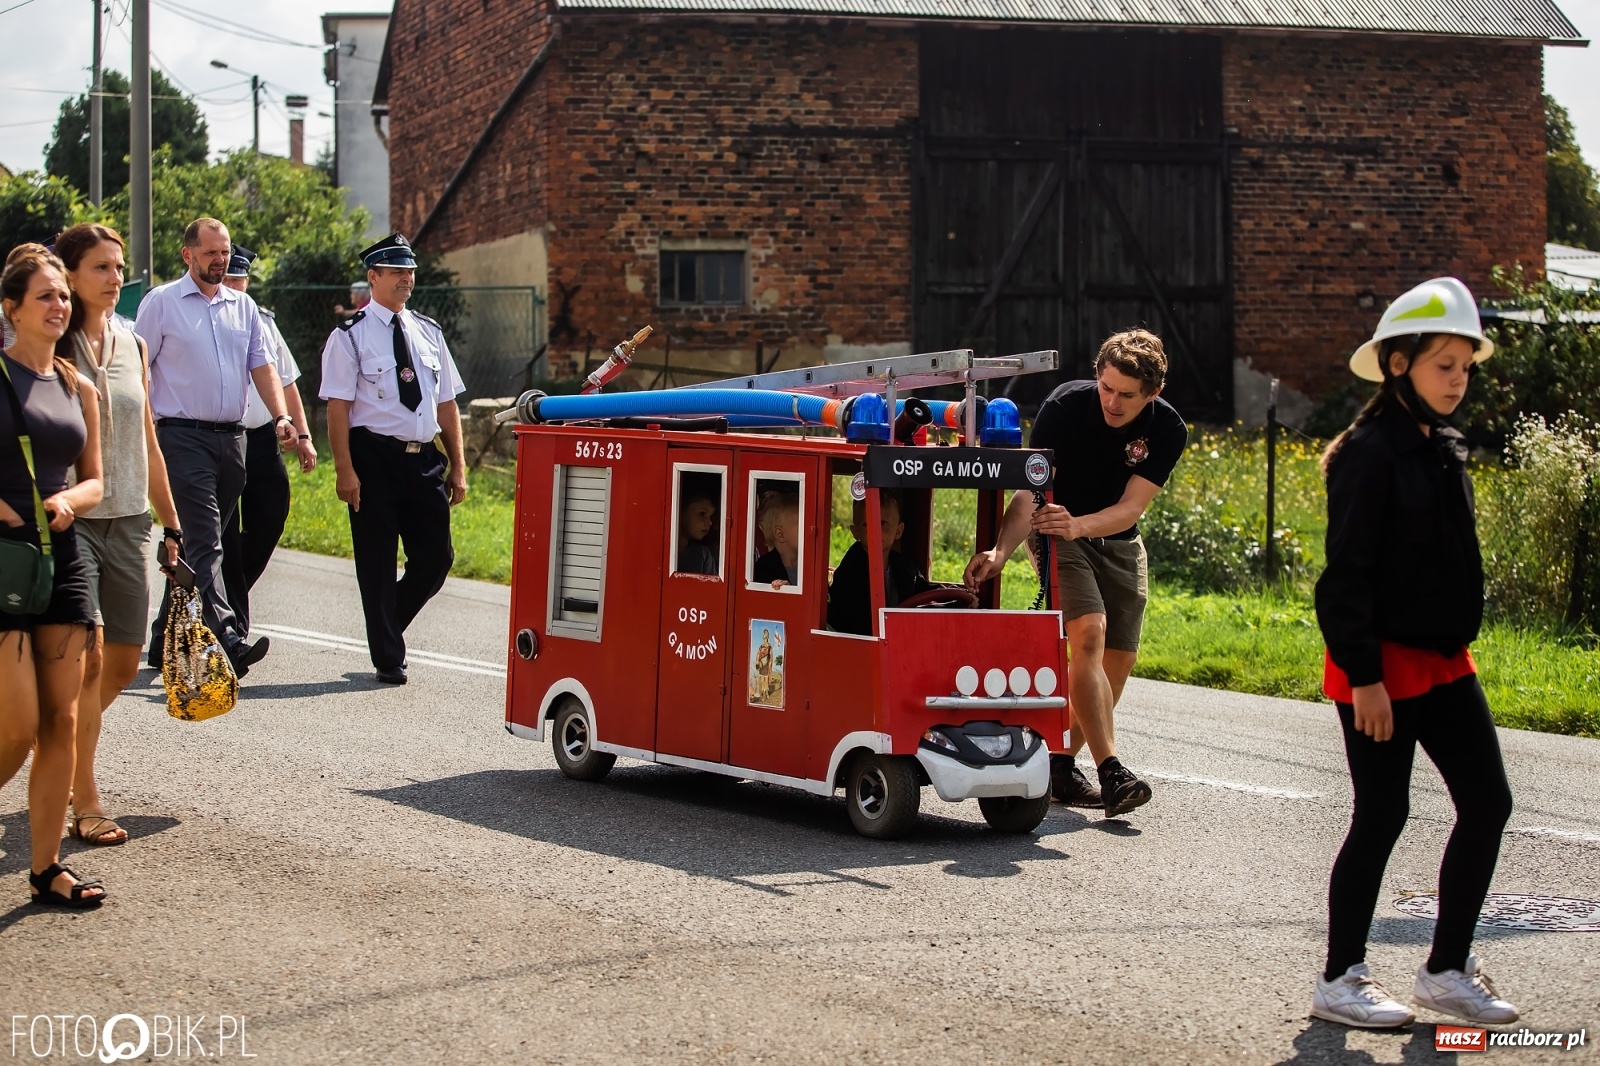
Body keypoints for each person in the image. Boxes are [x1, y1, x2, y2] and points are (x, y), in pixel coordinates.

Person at [1309, 278, 1518, 1029]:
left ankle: (1446, 969)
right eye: (1443, 365)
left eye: (1466, 365)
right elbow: (1343, 581)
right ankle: (1339, 979)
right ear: (1399, 365)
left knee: (1488, 804)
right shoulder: (1369, 454)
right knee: (1382, 814)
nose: (1458, 379)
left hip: (1444, 659)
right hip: (1380, 668)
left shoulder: (1443, 448)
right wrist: (1364, 678)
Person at [964, 329, 1187, 817]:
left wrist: (1079, 523)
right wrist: (1001, 551)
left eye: (1127, 395)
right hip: (1056, 534)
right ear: (1097, 377)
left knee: (1118, 661)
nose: (1112, 401)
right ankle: (1112, 771)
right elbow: (1029, 493)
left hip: (1117, 539)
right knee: (1088, 635)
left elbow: (1130, 509)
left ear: (1154, 393)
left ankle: (1061, 765)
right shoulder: (1064, 408)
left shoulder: (1169, 429)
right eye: (1106, 387)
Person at [55, 223, 183, 847]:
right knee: (91, 659)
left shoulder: (132, 345)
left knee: (127, 659)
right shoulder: (50, 345)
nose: (115, 278)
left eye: (118, 267)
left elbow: (148, 440)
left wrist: (172, 522)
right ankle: (84, 797)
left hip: (130, 517)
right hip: (71, 521)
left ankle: (55, 738)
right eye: (101, 268)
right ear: (70, 275)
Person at [135, 218, 296, 676]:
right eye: (210, 253)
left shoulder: (242, 307)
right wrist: (144, 428)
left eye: (224, 253)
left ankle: (162, 637)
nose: (220, 261)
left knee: (194, 547)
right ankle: (227, 635)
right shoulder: (162, 303)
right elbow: (140, 369)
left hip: (233, 442)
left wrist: (281, 417)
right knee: (207, 540)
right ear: (188, 254)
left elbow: (262, 367)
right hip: (181, 438)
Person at [0, 248, 107, 907]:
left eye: (64, 295)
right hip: (4, 558)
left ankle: (46, 869)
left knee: (62, 722)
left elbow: (97, 476)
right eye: (45, 295)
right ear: (11, 307)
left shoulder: (78, 386)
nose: (59, 306)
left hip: (64, 558)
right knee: (16, 723)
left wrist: (71, 500)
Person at [320, 233, 467, 685]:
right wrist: (344, 469)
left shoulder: (428, 331)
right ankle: (388, 656)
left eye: (410, 271)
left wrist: (458, 465)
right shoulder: (349, 336)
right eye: (397, 271)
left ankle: (386, 628)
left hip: (423, 460)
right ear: (374, 277)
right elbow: (338, 407)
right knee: (377, 561)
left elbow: (446, 405)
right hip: (374, 459)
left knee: (436, 558)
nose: (407, 278)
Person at [218, 245, 317, 637]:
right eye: (227, 277)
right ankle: (231, 628)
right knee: (219, 533)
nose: (233, 284)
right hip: (221, 437)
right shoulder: (205, 318)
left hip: (260, 438)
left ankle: (210, 597)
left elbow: (287, 382)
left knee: (271, 516)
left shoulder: (262, 322)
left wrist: (303, 433)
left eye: (239, 278)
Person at [828, 491, 936, 635]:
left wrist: (958, 597)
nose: (876, 531)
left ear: (898, 531)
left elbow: (926, 592)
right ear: (855, 532)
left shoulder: (905, 567)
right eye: (867, 524)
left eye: (883, 523)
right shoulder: (850, 572)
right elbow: (851, 622)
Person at [752, 489, 800, 588]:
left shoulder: (810, 564)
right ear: (780, 534)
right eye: (801, 524)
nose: (809, 528)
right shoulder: (764, 568)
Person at [676, 480, 718, 576]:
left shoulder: (703, 554)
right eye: (702, 514)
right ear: (680, 511)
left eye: (711, 516)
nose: (710, 522)